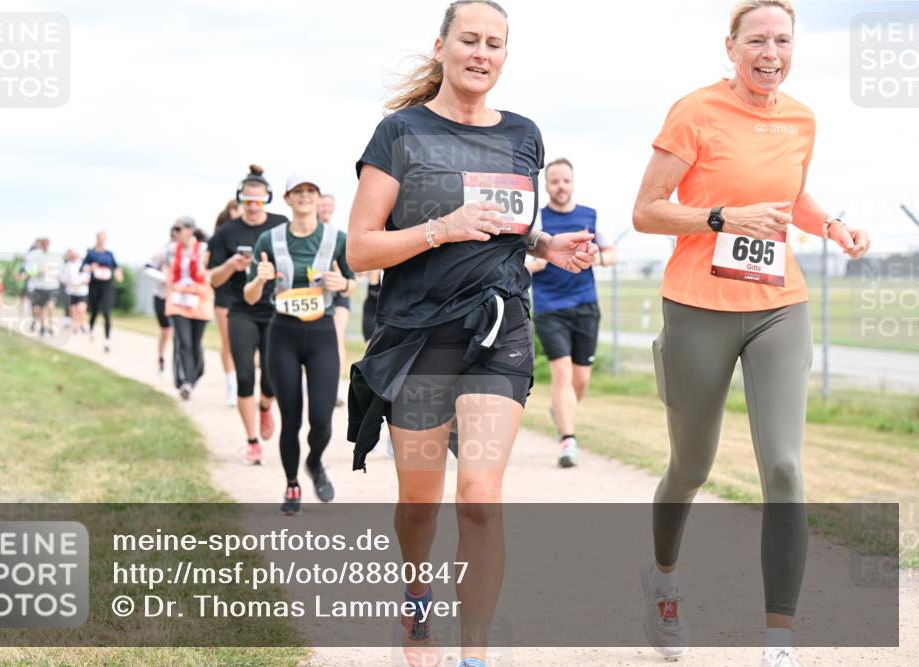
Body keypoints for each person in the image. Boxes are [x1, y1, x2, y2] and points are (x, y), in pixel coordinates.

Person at [345, 2, 597, 665]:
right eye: (469, 40)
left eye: (494, 43)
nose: (481, 52)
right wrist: (440, 228)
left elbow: (509, 223)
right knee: (420, 505)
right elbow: (361, 250)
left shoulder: (523, 136)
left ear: (504, 56)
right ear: (442, 47)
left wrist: (552, 243)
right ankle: (417, 585)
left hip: (499, 329)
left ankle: (474, 653)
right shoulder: (399, 133)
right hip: (418, 334)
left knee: (480, 497)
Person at [632, 2, 872, 665]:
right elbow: (647, 210)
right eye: (758, 40)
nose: (772, 51)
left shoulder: (801, 117)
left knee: (786, 466)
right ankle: (663, 577)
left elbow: (791, 197)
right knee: (691, 464)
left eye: (783, 40)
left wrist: (831, 227)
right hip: (697, 304)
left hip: (778, 304)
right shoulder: (694, 111)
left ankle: (778, 641)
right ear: (731, 46)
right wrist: (721, 216)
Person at [246, 174, 355, 514]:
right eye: (298, 192)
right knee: (290, 417)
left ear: (318, 198)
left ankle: (315, 461)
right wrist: (260, 281)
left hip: (321, 332)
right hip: (283, 334)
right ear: (287, 199)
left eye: (311, 191)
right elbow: (249, 297)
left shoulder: (336, 239)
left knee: (321, 419)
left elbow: (352, 285)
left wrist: (342, 284)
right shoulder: (269, 239)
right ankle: (292, 484)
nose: (305, 197)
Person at [526, 157, 617, 468]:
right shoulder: (537, 220)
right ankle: (568, 440)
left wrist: (598, 259)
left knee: (580, 380)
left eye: (565, 181)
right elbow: (526, 257)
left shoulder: (589, 217)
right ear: (546, 185)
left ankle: (562, 409)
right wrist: (536, 262)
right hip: (551, 306)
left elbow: (610, 252)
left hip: (585, 304)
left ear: (572, 183)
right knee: (561, 373)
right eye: (554, 181)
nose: (560, 186)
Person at [208, 165, 286, 464]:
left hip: (276, 310)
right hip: (241, 310)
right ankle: (252, 440)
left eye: (259, 201)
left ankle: (266, 407)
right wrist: (230, 265)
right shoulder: (227, 232)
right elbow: (213, 279)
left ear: (267, 199)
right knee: (244, 376)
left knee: (271, 379)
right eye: (247, 201)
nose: (253, 207)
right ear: (240, 199)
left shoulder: (281, 226)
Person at [163, 217, 212, 400]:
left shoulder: (204, 250)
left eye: (179, 229)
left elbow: (210, 273)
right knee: (183, 341)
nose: (175, 233)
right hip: (178, 299)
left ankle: (194, 375)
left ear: (190, 230)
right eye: (174, 229)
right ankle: (186, 382)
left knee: (195, 342)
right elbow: (166, 270)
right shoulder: (170, 250)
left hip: (199, 299)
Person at [318, 193, 350, 407]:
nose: (327, 208)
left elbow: (350, 273)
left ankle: (336, 388)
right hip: (313, 295)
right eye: (324, 204)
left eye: (331, 205)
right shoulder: (308, 234)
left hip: (337, 295)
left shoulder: (338, 237)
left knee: (336, 339)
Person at [212, 199, 242, 407]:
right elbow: (210, 269)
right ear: (233, 210)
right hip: (224, 293)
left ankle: (245, 379)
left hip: (246, 294)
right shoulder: (221, 235)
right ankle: (231, 383)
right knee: (227, 341)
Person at [83, 232, 124, 352]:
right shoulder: (91, 253)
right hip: (95, 285)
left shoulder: (109, 254)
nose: (101, 240)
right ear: (97, 239)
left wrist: (118, 274)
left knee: (106, 312)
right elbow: (83, 266)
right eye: (99, 238)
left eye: (103, 238)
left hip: (107, 285)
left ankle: (107, 340)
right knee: (95, 310)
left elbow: (116, 267)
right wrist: (90, 268)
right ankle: (91, 329)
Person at [145, 225, 178, 376]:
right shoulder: (162, 251)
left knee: (179, 333)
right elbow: (148, 268)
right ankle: (161, 359)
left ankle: (179, 366)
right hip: (161, 296)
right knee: (165, 331)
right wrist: (164, 278)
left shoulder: (188, 252)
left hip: (178, 299)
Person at [23, 238, 63, 337]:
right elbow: (29, 270)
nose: (45, 245)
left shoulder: (56, 256)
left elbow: (61, 269)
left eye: (47, 243)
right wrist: (38, 272)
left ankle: (50, 326)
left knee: (50, 306)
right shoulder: (33, 255)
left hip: (52, 286)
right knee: (38, 308)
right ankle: (41, 325)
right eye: (43, 243)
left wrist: (56, 273)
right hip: (39, 286)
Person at [62, 249, 90, 333]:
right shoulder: (66, 265)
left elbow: (88, 277)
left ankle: (82, 323)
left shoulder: (84, 264)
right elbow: (63, 278)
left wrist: (81, 282)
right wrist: (67, 282)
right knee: (73, 309)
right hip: (71, 291)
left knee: (81, 308)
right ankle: (76, 325)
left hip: (82, 290)